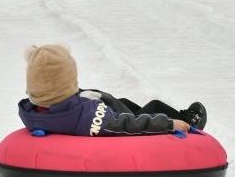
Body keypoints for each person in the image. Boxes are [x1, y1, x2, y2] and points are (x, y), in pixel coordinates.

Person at [19, 44, 207, 137]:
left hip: (101, 110)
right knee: (153, 106)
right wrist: (168, 124)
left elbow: (57, 96)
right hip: (119, 123)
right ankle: (189, 122)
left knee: (120, 100)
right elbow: (129, 125)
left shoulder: (32, 112)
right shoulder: (89, 118)